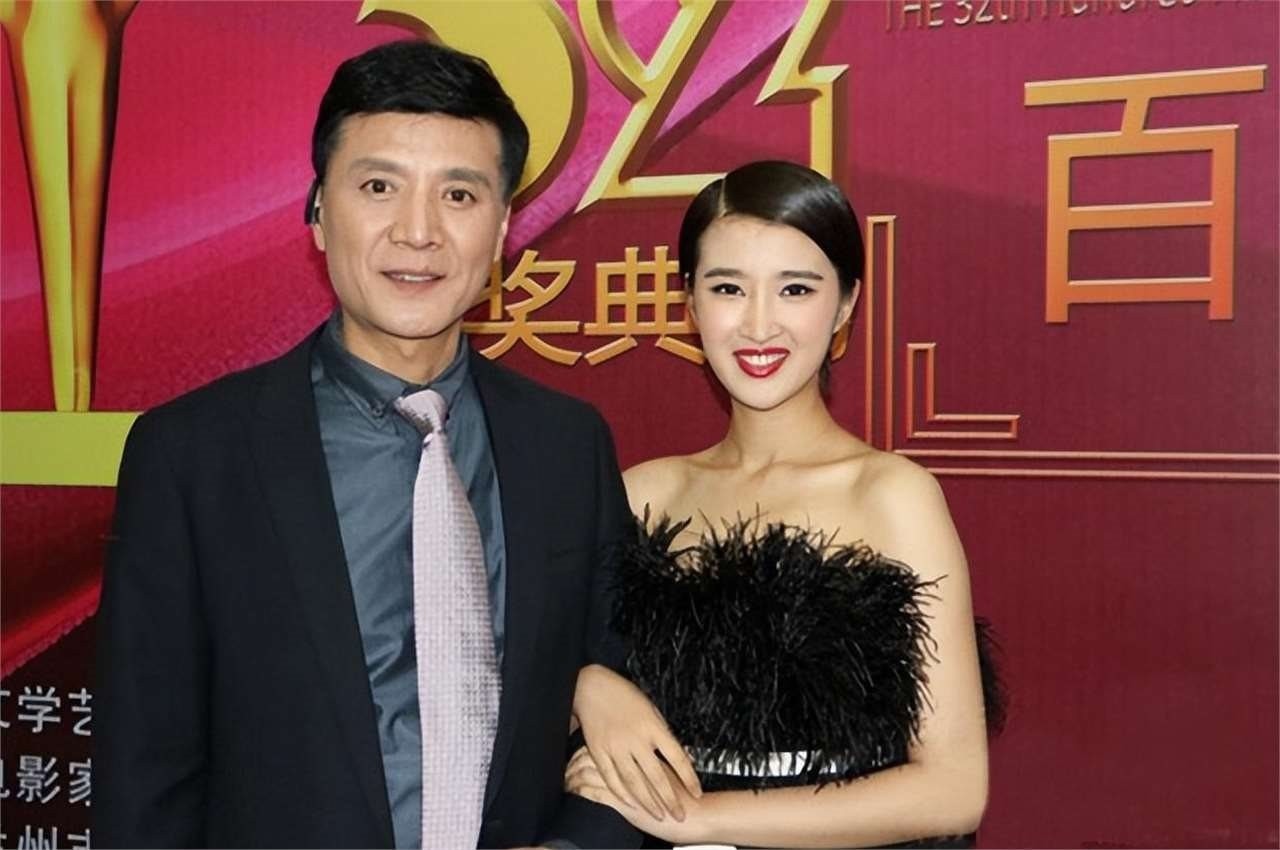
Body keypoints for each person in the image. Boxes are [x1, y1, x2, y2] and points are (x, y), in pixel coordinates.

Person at [94, 40, 638, 849]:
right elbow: (144, 775)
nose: (417, 233)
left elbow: (625, 711)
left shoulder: (568, 447)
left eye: (459, 194)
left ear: (501, 229)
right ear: (318, 212)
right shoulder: (193, 457)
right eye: (379, 186)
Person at [565, 160, 1001, 848]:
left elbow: (953, 790)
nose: (759, 324)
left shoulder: (892, 495)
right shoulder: (643, 495)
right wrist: (587, 686)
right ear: (690, 302)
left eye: (795, 288)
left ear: (847, 304)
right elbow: (524, 680)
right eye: (727, 288)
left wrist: (699, 818)